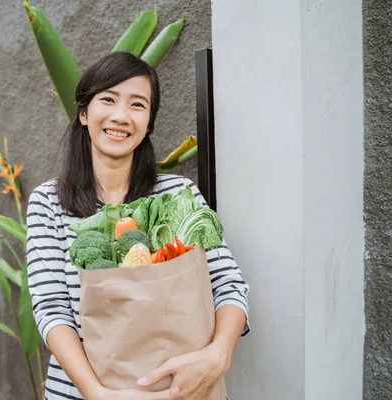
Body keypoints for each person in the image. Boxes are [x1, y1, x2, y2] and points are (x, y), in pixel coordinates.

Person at [26, 52, 250, 400]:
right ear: (84, 113)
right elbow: (51, 308)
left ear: (149, 122)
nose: (120, 116)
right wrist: (95, 393)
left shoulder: (177, 194)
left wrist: (218, 355)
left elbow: (228, 283)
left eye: (137, 105)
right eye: (108, 99)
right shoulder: (48, 202)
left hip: (182, 390)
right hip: (79, 393)